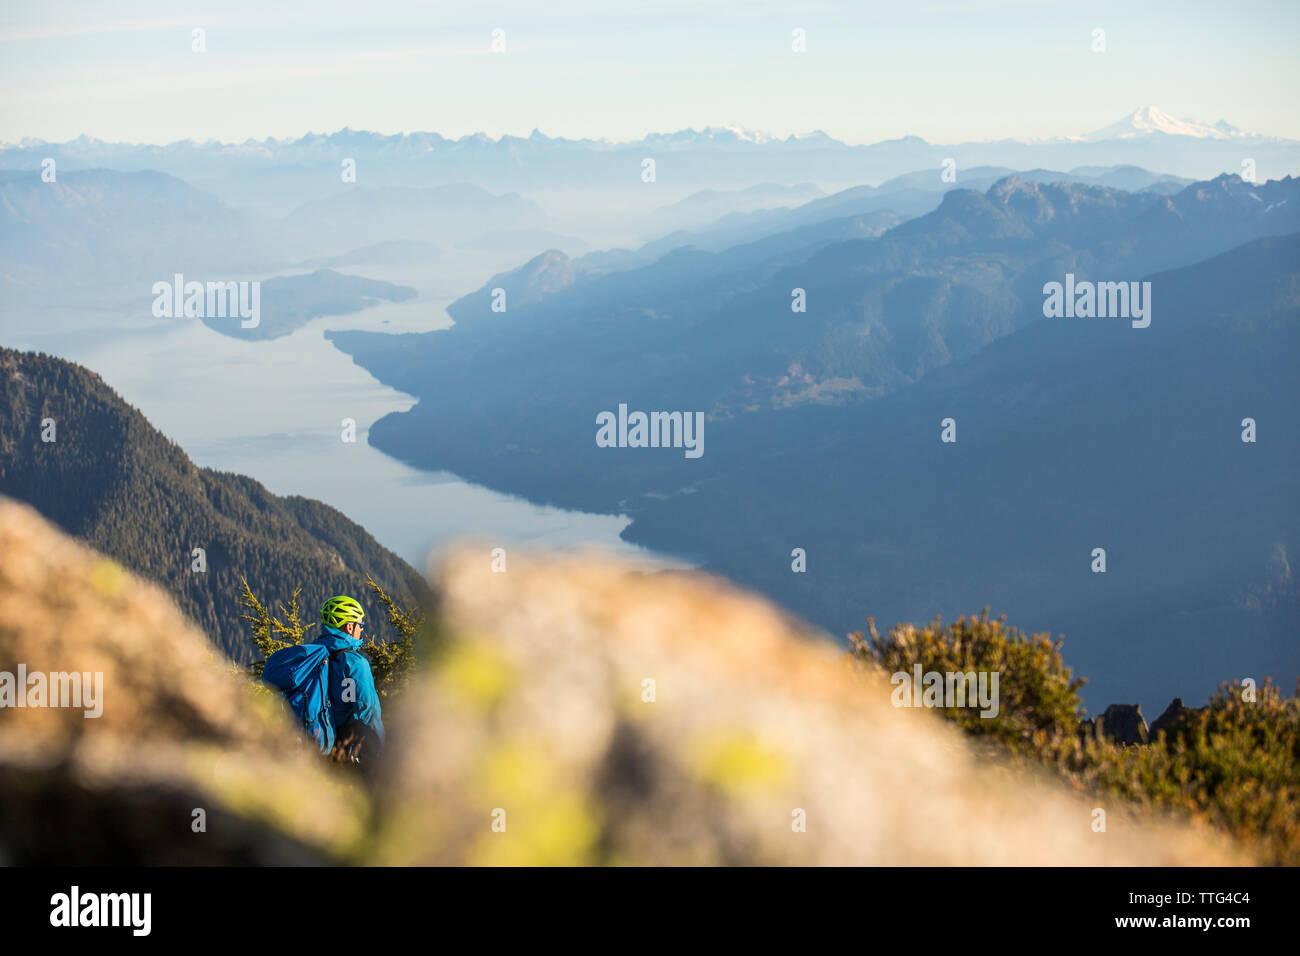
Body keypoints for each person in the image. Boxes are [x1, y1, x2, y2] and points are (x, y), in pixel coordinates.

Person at [314, 595, 386, 766]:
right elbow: (368, 712)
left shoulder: (314, 656)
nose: (361, 629)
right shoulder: (355, 663)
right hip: (346, 751)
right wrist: (384, 751)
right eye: (360, 625)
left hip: (316, 746)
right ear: (349, 627)